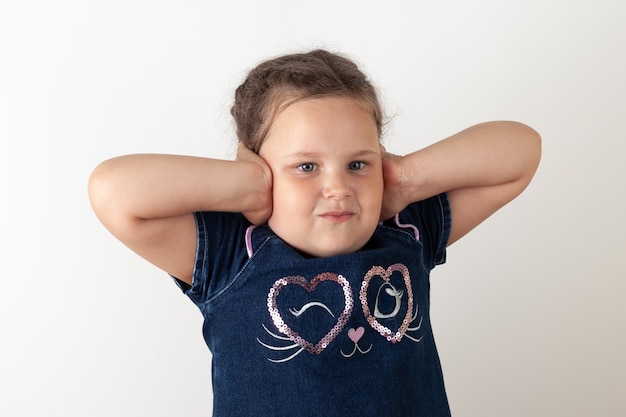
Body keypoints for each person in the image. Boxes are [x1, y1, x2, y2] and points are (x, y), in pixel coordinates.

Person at [88, 49, 541, 417]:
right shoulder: (230, 254)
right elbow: (114, 193)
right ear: (258, 166)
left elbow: (521, 152)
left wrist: (403, 179)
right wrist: (249, 187)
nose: (339, 187)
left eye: (358, 164)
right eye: (306, 167)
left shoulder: (406, 232)